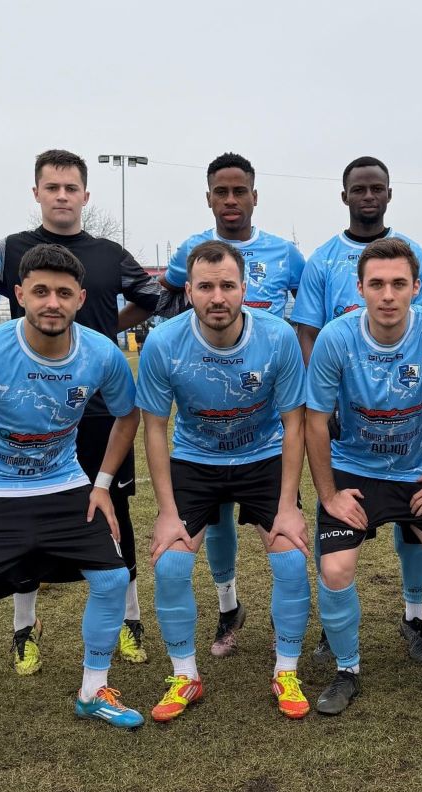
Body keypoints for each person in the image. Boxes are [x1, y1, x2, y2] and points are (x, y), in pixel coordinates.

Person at [0, 244, 143, 768]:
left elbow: (127, 415)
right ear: (19, 295)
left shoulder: (102, 354)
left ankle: (93, 690)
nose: (51, 302)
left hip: (62, 484)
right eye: (40, 291)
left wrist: (102, 485)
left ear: (80, 298)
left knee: (111, 580)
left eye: (63, 293)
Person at [0, 149, 160, 672]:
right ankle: (25, 628)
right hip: (26, 407)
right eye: (52, 187)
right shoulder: (10, 250)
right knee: (25, 513)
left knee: (113, 510)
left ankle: (130, 619)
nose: (62, 196)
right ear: (37, 193)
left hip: (97, 409)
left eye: (71, 188)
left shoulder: (111, 254)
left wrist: (109, 328)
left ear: (86, 195)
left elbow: (153, 298)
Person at [306, 237, 422, 715]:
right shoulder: (336, 338)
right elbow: (315, 420)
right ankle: (346, 670)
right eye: (377, 284)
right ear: (360, 287)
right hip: (355, 472)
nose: (387, 295)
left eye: (399, 284)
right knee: (335, 569)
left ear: (416, 288)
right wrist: (329, 494)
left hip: (417, 474)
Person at [139, 240, 312, 721]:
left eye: (227, 286)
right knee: (170, 565)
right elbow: (154, 427)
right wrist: (167, 512)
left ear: (244, 288)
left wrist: (288, 506)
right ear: (189, 291)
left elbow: (294, 422)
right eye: (206, 287)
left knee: (291, 558)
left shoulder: (277, 337)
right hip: (196, 460)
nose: (217, 297)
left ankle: (286, 671)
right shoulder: (163, 342)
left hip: (263, 456)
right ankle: (185, 676)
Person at [293, 156, 422, 664]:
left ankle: (414, 615)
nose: (368, 196)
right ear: (345, 196)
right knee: (335, 512)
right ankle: (330, 626)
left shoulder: (414, 254)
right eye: (359, 189)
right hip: (345, 408)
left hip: (407, 409)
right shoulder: (322, 260)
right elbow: (308, 330)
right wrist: (325, 396)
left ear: (389, 194)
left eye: (377, 188)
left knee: (414, 514)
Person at [158, 152, 306, 659]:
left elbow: (314, 309)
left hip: (261, 437)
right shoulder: (187, 260)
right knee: (197, 539)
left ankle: (287, 652)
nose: (230, 199)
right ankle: (222, 616)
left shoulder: (285, 260)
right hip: (199, 449)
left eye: (239, 190)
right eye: (205, 287)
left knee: (290, 557)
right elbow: (158, 297)